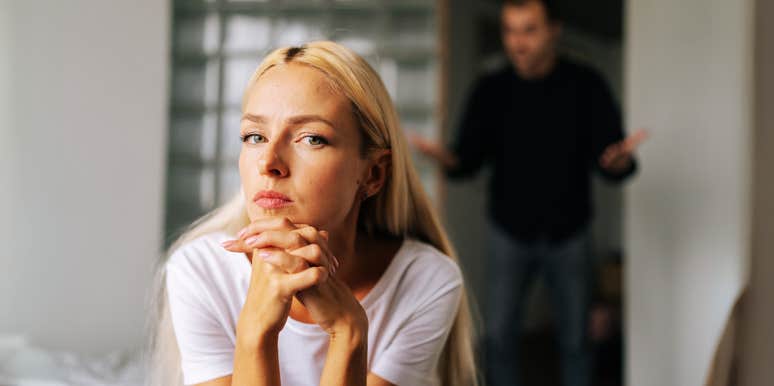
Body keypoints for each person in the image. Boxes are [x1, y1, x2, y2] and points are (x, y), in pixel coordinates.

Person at [146, 41, 478, 386]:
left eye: (312, 139)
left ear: (373, 174)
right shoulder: (200, 271)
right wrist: (255, 331)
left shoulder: (424, 280)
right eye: (255, 136)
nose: (269, 163)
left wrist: (348, 333)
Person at [410, 1, 647, 386]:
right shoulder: (490, 89)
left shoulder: (586, 85)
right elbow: (469, 160)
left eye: (529, 30)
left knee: (576, 341)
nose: (517, 41)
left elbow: (610, 162)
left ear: (553, 30)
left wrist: (619, 163)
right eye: (510, 30)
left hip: (570, 231)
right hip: (508, 231)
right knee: (500, 339)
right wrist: (447, 159)